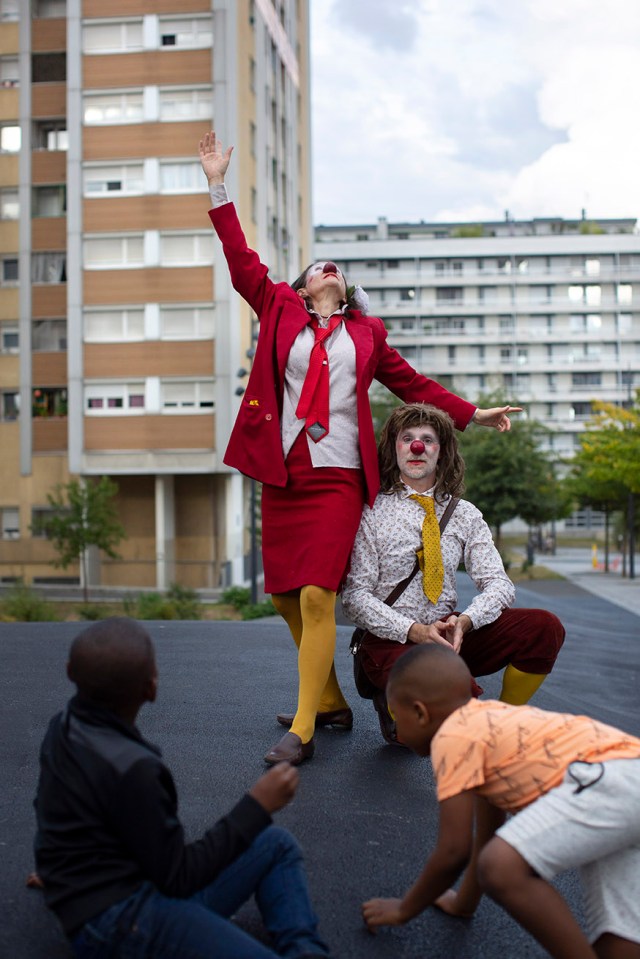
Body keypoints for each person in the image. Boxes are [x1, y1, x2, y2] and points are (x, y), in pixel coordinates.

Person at [199, 130, 521, 766]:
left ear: (346, 292)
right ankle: (328, 700)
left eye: (336, 268)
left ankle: (303, 733)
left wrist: (473, 414)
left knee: (320, 596)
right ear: (302, 284)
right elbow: (240, 257)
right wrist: (217, 183)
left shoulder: (367, 334)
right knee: (285, 599)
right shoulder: (279, 309)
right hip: (285, 470)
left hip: (340, 474)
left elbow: (412, 383)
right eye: (318, 265)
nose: (328, 266)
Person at [33, 617, 332, 959]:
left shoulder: (63, 727)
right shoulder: (136, 768)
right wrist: (257, 805)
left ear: (70, 671)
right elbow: (179, 877)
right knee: (264, 836)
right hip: (118, 922)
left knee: (274, 844)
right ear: (152, 688)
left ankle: (306, 951)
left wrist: (56, 869)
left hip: (103, 895)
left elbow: (48, 805)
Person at [361, 645, 640, 959]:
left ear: (420, 712)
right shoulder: (489, 727)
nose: (397, 728)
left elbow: (454, 851)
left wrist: (405, 909)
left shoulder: (452, 737)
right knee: (618, 941)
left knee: (501, 866)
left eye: (396, 715)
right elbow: (489, 832)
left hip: (602, 781)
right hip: (628, 775)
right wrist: (463, 903)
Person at [342, 402, 565, 747]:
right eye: (408, 438)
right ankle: (404, 706)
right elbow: (355, 599)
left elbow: (499, 585)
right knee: (451, 700)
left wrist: (465, 622)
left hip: (449, 636)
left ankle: (498, 726)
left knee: (544, 627)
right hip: (392, 642)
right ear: (394, 448)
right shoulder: (370, 511)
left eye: (428, 440)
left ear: (441, 451)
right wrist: (414, 631)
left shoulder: (465, 514)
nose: (417, 447)